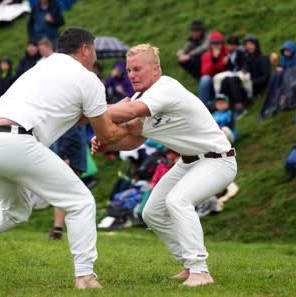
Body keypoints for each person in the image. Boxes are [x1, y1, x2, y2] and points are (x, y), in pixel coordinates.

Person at [0, 27, 139, 289]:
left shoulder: (44, 65)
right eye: (94, 50)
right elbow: (106, 134)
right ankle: (85, 276)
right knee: (81, 200)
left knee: (16, 209)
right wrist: (134, 128)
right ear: (85, 49)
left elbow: (74, 114)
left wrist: (116, 110)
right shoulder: (89, 80)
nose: (95, 57)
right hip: (17, 142)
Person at [95, 44, 237, 287]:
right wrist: (106, 143)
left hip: (218, 160)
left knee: (178, 201)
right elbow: (133, 141)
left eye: (138, 69)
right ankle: (188, 264)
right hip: (189, 161)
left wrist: (90, 109)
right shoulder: (141, 98)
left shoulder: (166, 87)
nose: (132, 75)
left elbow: (129, 111)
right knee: (151, 213)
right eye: (129, 70)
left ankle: (201, 272)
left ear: (156, 69)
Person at [48, 125, 87, 240]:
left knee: (65, 193)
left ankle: (59, 228)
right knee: (70, 193)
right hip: (72, 152)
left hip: (67, 151)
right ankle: (62, 229)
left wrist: (63, 154)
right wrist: (65, 155)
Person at [198, 31, 228, 109]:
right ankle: (202, 106)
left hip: (223, 80)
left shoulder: (227, 52)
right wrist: (215, 59)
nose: (216, 45)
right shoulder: (206, 55)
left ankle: (215, 105)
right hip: (211, 80)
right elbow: (205, 72)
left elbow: (226, 69)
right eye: (213, 43)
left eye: (218, 42)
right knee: (205, 79)